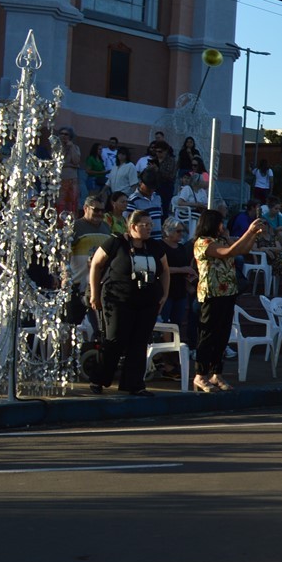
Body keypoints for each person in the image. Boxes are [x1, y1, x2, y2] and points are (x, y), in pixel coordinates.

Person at [86, 210, 169, 396]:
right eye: (144, 225)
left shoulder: (155, 246)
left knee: (139, 342)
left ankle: (134, 384)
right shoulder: (116, 242)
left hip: (146, 301)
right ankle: (99, 379)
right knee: (114, 339)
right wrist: (94, 293)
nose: (148, 228)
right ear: (132, 226)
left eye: (150, 225)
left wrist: (164, 294)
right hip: (117, 299)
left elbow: (164, 270)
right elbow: (96, 265)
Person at [192, 207, 267, 393]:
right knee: (207, 335)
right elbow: (227, 252)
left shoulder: (222, 239)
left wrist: (254, 234)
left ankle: (216, 373)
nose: (223, 226)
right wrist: (248, 231)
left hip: (228, 292)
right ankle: (200, 374)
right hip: (211, 294)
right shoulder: (203, 242)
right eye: (220, 222)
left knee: (222, 335)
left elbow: (242, 249)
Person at [160, 217, 196, 349]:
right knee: (165, 323)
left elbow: (185, 266)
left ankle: (175, 350)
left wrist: (189, 276)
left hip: (180, 290)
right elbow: (161, 269)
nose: (181, 234)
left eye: (182, 231)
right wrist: (182, 270)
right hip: (166, 290)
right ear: (169, 232)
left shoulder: (181, 248)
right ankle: (166, 351)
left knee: (177, 322)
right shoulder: (161, 246)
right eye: (178, 231)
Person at [125, 168, 162, 235]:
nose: (151, 190)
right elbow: (127, 223)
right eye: (148, 187)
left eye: (153, 187)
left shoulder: (157, 198)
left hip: (158, 239)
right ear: (140, 182)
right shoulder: (133, 200)